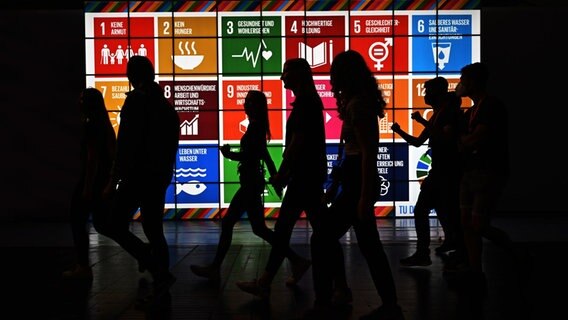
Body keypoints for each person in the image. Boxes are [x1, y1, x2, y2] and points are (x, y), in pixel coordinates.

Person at [235, 58, 350, 301]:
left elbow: (297, 144)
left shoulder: (304, 105)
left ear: (297, 76)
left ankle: (269, 281)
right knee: (320, 231)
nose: (281, 77)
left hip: (303, 177)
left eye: (285, 72)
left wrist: (283, 173)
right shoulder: (310, 102)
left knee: (288, 228)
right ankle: (340, 285)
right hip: (308, 176)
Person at [309, 50, 404, 320]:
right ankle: (390, 303)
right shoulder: (357, 103)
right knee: (369, 245)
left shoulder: (357, 106)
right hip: (355, 182)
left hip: (357, 183)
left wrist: (362, 195)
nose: (331, 79)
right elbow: (353, 151)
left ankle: (324, 302)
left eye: (335, 74)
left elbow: (366, 153)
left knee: (322, 237)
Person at [189, 90, 307, 282]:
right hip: (253, 182)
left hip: (250, 184)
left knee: (229, 224)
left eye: (249, 102)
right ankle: (296, 259)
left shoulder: (255, 127)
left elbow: (252, 156)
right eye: (246, 101)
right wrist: (274, 174)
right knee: (259, 228)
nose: (245, 105)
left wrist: (229, 155)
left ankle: (215, 268)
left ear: (256, 107)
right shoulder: (258, 126)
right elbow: (263, 154)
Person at [104, 55, 180, 290]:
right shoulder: (165, 106)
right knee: (154, 228)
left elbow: (126, 144)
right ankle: (162, 274)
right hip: (158, 175)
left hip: (137, 175)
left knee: (114, 223)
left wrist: (114, 178)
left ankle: (148, 259)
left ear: (131, 76)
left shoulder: (135, 102)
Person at [391, 77, 464, 267]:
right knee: (445, 209)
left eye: (427, 91)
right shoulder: (440, 114)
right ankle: (453, 243)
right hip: (442, 171)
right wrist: (399, 131)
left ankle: (425, 252)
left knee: (423, 209)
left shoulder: (447, 114)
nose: (425, 95)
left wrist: (422, 121)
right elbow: (417, 142)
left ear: (437, 93)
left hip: (445, 171)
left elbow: (445, 137)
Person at [454, 62, 511, 289]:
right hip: (470, 172)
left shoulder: (491, 106)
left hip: (488, 171)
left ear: (474, 82)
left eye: (463, 80)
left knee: (477, 224)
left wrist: (462, 140)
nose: (460, 85)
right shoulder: (471, 111)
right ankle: (475, 271)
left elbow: (472, 140)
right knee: (467, 223)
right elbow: (466, 142)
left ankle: (512, 249)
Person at [62, 87, 116, 280]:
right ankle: (142, 250)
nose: (79, 103)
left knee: (77, 220)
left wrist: (86, 187)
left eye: (82, 99)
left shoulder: (91, 125)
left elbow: (92, 160)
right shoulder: (105, 125)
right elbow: (111, 155)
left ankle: (83, 266)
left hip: (91, 182)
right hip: (102, 181)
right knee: (103, 225)